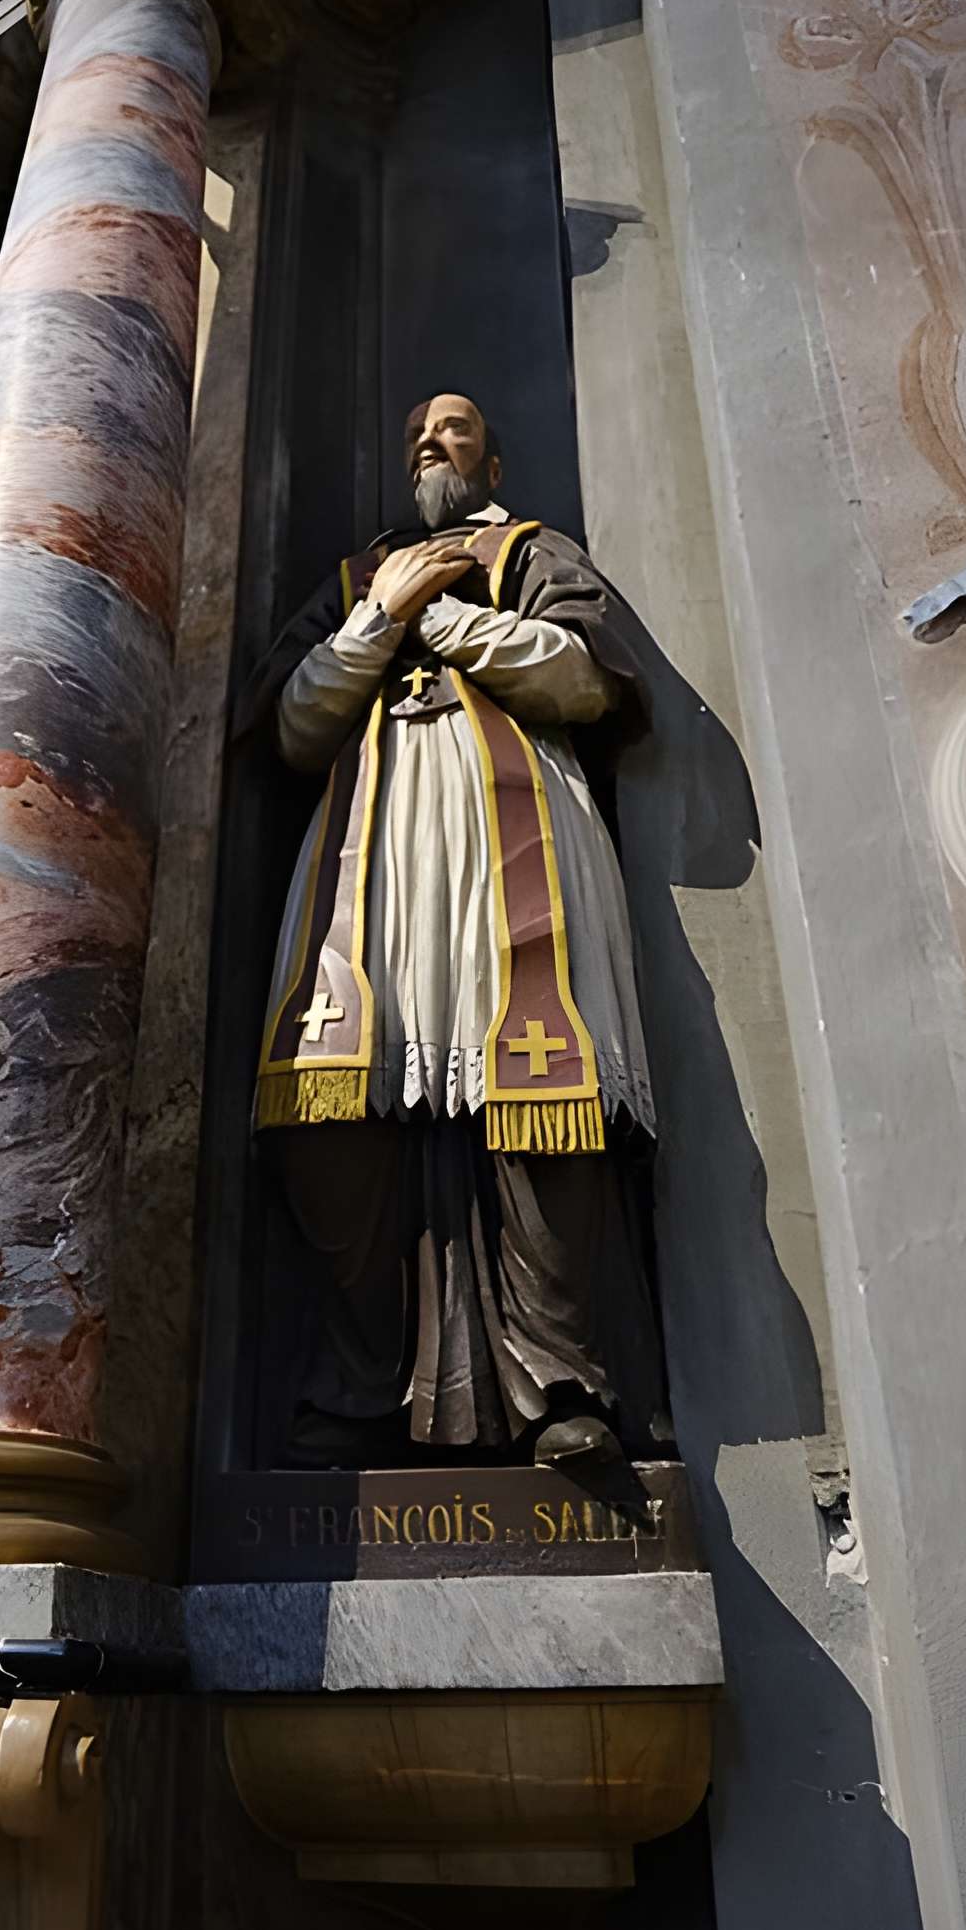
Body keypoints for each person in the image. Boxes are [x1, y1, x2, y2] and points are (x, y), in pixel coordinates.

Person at [245, 393, 666, 1469]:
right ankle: (359, 1381)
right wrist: (380, 615)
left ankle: (558, 1382)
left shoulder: (533, 552)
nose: (432, 442)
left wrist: (439, 617)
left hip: (512, 841)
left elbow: (583, 678)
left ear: (492, 453)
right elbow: (292, 726)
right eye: (418, 433)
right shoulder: (354, 583)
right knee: (327, 1114)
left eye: (457, 428)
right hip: (368, 853)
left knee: (539, 1098)